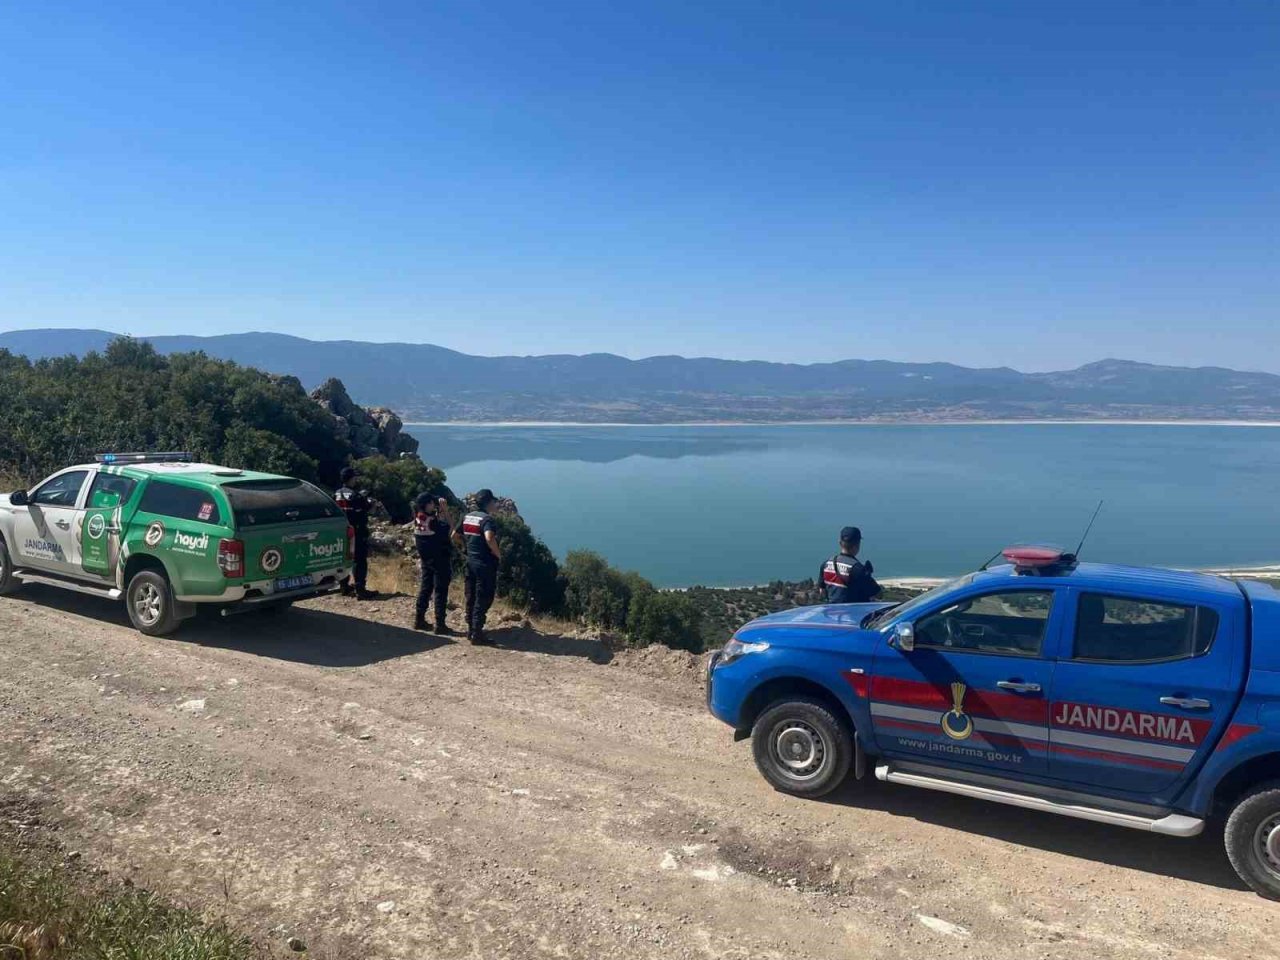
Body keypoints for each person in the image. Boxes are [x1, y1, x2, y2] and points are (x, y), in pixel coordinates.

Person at [461, 488, 502, 644]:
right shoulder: (487, 520)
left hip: (470, 561)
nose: (495, 504)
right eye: (494, 502)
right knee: (483, 596)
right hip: (484, 564)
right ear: (488, 503)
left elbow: (455, 535)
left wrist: (466, 548)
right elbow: (489, 537)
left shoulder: (467, 517)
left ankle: (471, 629)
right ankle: (477, 634)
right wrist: (498, 554)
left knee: (471, 595)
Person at [412, 492, 453, 634]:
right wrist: (445, 510)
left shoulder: (418, 518)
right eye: (431, 502)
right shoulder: (433, 522)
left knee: (426, 587)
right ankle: (440, 624)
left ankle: (419, 619)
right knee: (440, 591)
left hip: (426, 559)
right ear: (426, 504)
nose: (434, 504)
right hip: (439, 559)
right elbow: (450, 528)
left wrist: (438, 512)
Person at [334, 466, 374, 600]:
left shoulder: (337, 493)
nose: (356, 479)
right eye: (355, 477)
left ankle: (344, 586)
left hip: (341, 531)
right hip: (357, 531)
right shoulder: (355, 495)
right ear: (351, 478)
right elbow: (367, 509)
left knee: (344, 558)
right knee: (359, 560)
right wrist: (371, 503)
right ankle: (360, 589)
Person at [821, 526, 881, 603]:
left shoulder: (826, 564)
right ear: (857, 545)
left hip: (831, 612)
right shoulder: (857, 568)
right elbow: (877, 593)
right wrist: (868, 575)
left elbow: (822, 590)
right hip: (853, 613)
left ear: (840, 542)